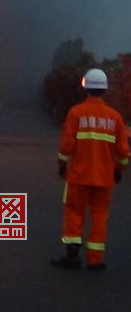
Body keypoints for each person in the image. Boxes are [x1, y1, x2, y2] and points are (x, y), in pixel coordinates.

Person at [50, 68, 129, 271]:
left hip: (78, 176)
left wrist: (62, 166)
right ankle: (95, 260)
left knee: (74, 213)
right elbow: (123, 153)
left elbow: (66, 146)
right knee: (100, 217)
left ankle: (72, 255)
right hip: (104, 179)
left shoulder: (76, 113)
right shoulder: (115, 117)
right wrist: (118, 170)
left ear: (85, 87)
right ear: (105, 89)